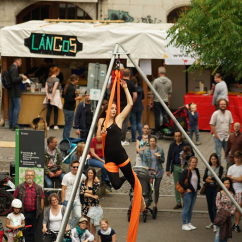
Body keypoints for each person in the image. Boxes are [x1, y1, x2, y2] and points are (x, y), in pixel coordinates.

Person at [96, 79, 145, 211]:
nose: (114, 110)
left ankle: (141, 199)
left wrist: (125, 88)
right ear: (105, 110)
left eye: (115, 109)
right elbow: (98, 138)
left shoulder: (119, 119)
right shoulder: (101, 121)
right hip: (109, 158)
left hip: (120, 155)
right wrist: (102, 133)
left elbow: (130, 103)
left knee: (133, 182)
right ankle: (129, 174)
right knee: (116, 185)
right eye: (111, 108)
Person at [13, 169, 45, 242]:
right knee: (23, 231)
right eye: (28, 175)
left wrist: (40, 211)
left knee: (32, 232)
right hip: (22, 213)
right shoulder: (19, 187)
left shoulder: (38, 188)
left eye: (31, 175)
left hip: (34, 214)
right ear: (25, 176)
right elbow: (15, 198)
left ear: (34, 177)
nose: (29, 177)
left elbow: (42, 200)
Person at [166, 130, 194, 209]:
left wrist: (187, 157)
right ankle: (178, 202)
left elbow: (192, 155)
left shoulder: (186, 144)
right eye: (176, 136)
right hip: (176, 166)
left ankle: (186, 201)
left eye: (179, 136)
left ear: (181, 136)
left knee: (186, 183)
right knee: (177, 185)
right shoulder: (172, 145)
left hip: (185, 166)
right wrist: (167, 169)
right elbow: (169, 157)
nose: (177, 138)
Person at [61, 160, 86, 229]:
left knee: (78, 216)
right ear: (71, 167)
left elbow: (90, 179)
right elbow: (63, 189)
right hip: (67, 199)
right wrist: (63, 200)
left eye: (78, 167)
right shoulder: (66, 176)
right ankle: (68, 231)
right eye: (74, 167)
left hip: (76, 199)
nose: (76, 168)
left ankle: (70, 228)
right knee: (68, 218)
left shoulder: (82, 176)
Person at [142, 135, 165, 208]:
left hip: (158, 171)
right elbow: (143, 161)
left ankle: (155, 203)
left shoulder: (160, 150)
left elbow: (163, 160)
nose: (152, 142)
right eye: (151, 141)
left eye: (153, 141)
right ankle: (147, 202)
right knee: (148, 188)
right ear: (149, 142)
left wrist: (159, 158)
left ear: (156, 142)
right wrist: (145, 166)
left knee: (156, 188)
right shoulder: (146, 151)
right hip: (149, 172)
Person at [203, 153, 223, 232]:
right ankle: (212, 221)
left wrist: (209, 178)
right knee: (209, 205)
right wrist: (213, 178)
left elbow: (219, 178)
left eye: (215, 159)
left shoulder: (220, 168)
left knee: (215, 206)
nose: (213, 160)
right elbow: (204, 178)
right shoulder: (208, 167)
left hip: (216, 189)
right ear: (210, 160)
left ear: (217, 159)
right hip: (208, 188)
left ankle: (216, 223)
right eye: (212, 159)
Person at [179, 156, 201, 231]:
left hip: (194, 192)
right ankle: (184, 224)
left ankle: (189, 223)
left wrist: (198, 187)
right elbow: (180, 181)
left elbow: (198, 179)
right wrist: (186, 188)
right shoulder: (186, 171)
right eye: (193, 162)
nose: (194, 163)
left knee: (191, 209)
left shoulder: (196, 170)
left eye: (195, 162)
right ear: (190, 162)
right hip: (188, 193)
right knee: (186, 208)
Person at [149, 66, 172, 136]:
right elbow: (170, 93)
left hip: (157, 101)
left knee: (157, 116)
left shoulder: (156, 81)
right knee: (165, 116)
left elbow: (152, 92)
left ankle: (157, 131)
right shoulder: (169, 81)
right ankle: (164, 130)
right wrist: (168, 101)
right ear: (165, 72)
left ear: (159, 73)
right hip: (165, 100)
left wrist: (151, 100)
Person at [210, 98, 233, 164]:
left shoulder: (229, 113)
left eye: (224, 104)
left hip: (226, 138)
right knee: (218, 154)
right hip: (218, 138)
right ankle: (219, 168)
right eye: (221, 104)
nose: (223, 105)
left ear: (226, 105)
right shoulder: (215, 114)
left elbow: (230, 124)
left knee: (228, 153)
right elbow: (212, 124)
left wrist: (229, 134)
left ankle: (228, 168)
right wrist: (216, 135)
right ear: (218, 105)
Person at [118, 68, 137, 146]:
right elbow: (135, 96)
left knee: (118, 121)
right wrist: (130, 103)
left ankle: (117, 138)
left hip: (119, 104)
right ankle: (122, 139)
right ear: (129, 75)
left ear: (122, 74)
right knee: (125, 122)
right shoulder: (132, 83)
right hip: (126, 105)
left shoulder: (118, 82)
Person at [8, 57, 27, 131]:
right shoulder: (14, 68)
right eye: (21, 61)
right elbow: (14, 79)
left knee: (12, 108)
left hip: (12, 91)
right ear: (17, 61)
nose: (21, 63)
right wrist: (22, 77)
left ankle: (11, 124)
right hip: (15, 91)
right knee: (17, 107)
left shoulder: (11, 67)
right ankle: (14, 125)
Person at [214, 177, 236, 242]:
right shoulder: (219, 193)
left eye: (228, 183)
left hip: (230, 215)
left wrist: (231, 212)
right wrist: (225, 213)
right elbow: (218, 204)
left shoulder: (232, 193)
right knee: (219, 232)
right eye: (225, 183)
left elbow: (234, 204)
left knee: (226, 232)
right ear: (222, 184)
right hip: (221, 215)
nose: (226, 185)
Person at [80, 167, 100, 237]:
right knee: (87, 221)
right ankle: (88, 236)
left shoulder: (96, 183)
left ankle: (93, 236)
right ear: (87, 173)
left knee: (93, 222)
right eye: (89, 173)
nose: (90, 174)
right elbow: (82, 193)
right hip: (86, 203)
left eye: (91, 173)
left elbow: (94, 191)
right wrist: (93, 196)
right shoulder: (84, 182)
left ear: (94, 174)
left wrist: (86, 191)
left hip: (94, 204)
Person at [62, 74, 83, 139]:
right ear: (74, 80)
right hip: (69, 109)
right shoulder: (71, 88)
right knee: (69, 125)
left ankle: (65, 137)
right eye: (77, 80)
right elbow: (69, 99)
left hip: (66, 108)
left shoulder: (67, 86)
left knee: (67, 124)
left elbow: (63, 95)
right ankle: (66, 138)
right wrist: (77, 98)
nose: (77, 81)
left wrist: (74, 94)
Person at [227, 151, 242, 233]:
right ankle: (233, 223)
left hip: (240, 190)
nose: (237, 159)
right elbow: (228, 179)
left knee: (238, 208)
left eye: (239, 158)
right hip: (232, 190)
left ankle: (236, 224)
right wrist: (236, 179)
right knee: (232, 208)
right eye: (236, 158)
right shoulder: (231, 168)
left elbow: (241, 179)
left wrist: (232, 178)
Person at [129, 76, 144, 142]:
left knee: (133, 123)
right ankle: (142, 137)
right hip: (140, 106)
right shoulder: (141, 89)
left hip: (133, 107)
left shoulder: (130, 89)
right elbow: (143, 97)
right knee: (139, 122)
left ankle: (134, 138)